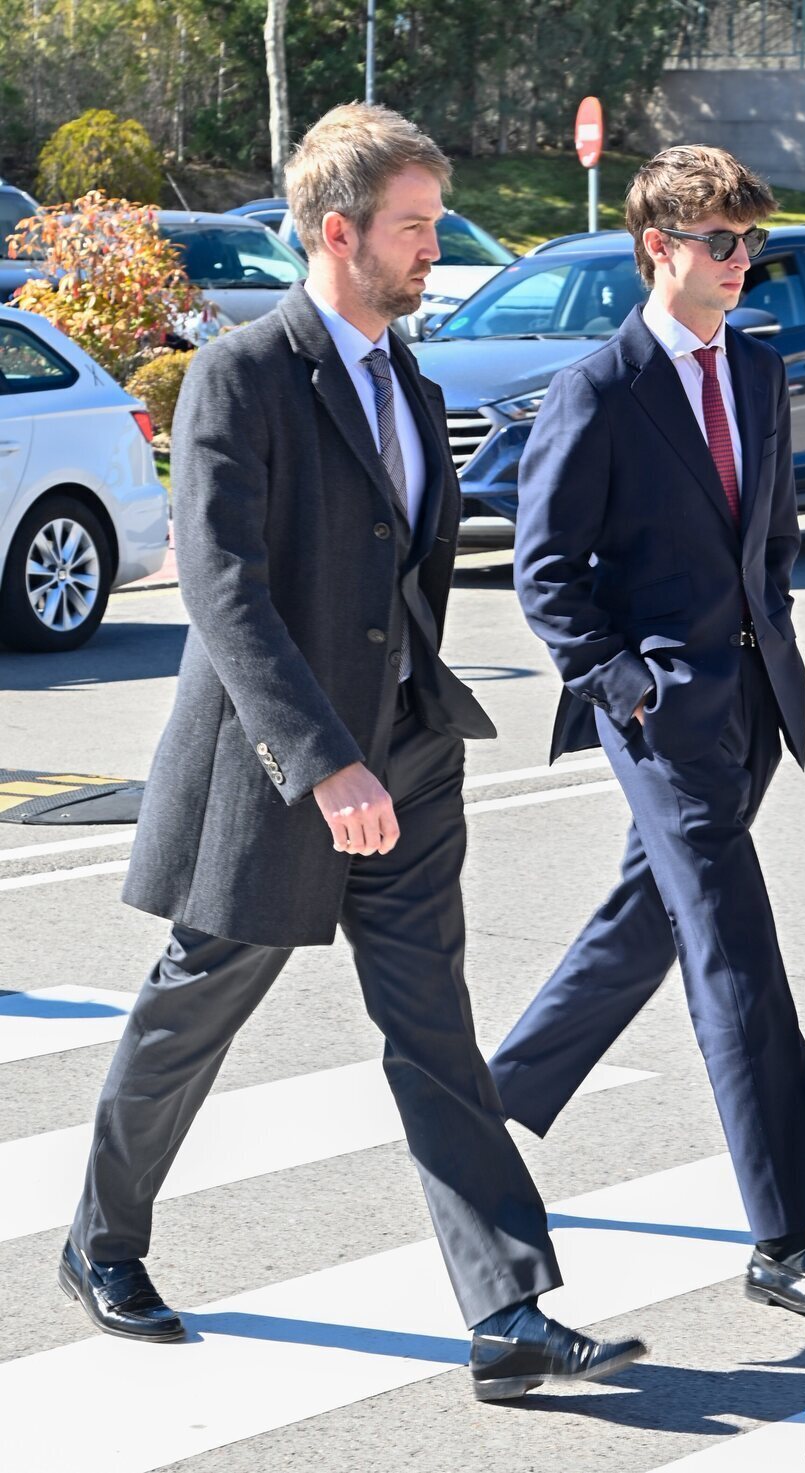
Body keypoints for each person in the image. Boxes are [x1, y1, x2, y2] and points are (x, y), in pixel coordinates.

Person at [59, 103, 644, 1402]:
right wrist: (326, 760)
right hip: (279, 777)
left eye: (435, 224)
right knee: (188, 1013)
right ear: (339, 232)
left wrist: (408, 722)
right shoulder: (241, 374)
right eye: (417, 226)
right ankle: (102, 1240)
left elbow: (409, 572)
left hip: (408, 761)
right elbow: (221, 587)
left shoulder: (415, 380)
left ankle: (510, 1312)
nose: (437, 248)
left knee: (436, 1029)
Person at [489, 145, 805, 1321]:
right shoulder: (598, 391)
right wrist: (625, 687)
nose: (741, 264)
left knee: (643, 920)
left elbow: (772, 536)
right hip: (659, 713)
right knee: (733, 951)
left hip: (753, 703)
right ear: (658, 247)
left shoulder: (756, 375)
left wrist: (772, 632)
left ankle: (481, 1102)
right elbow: (545, 573)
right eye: (722, 244)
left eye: (749, 243)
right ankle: (783, 1233)